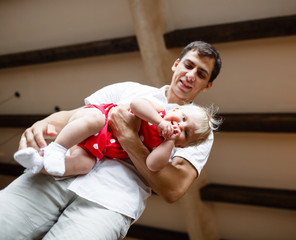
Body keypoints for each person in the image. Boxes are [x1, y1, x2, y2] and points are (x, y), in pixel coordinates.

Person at [0, 40, 222, 239]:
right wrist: (40, 125)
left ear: (208, 85)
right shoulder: (130, 90)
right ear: (177, 64)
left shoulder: (198, 132)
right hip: (57, 172)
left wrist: (128, 136)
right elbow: (73, 116)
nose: (191, 75)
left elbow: (173, 189)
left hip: (108, 204)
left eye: (202, 74)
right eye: (189, 65)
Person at [14, 98, 220, 175]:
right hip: (97, 120)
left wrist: (170, 140)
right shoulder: (160, 111)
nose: (179, 125)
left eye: (185, 132)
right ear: (175, 108)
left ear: (182, 146)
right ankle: (56, 148)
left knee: (84, 166)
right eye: (182, 117)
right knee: (95, 120)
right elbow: (136, 105)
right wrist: (160, 122)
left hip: (98, 148)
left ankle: (36, 163)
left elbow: (152, 165)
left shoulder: (166, 146)